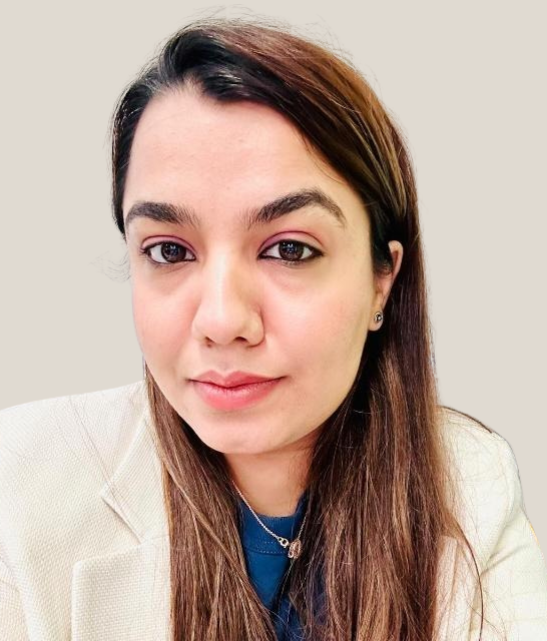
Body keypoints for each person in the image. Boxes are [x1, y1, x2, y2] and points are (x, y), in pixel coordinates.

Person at [1, 15, 546, 641]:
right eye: (169, 251)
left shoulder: (471, 480)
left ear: (382, 279)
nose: (222, 321)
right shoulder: (20, 483)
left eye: (289, 249)